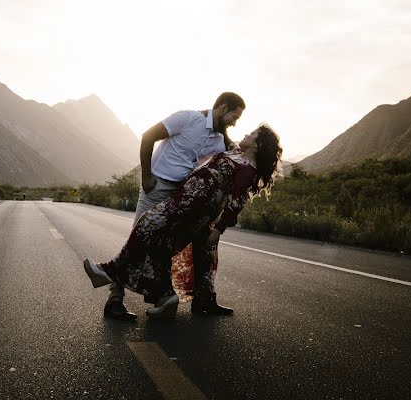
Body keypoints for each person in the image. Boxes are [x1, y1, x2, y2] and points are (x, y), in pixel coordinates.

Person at [85, 124, 282, 319]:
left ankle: (110, 270)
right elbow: (223, 133)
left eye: (253, 133)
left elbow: (237, 201)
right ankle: (168, 297)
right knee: (162, 245)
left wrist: (218, 229)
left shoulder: (248, 169)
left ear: (258, 145)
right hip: (185, 202)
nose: (247, 132)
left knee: (148, 223)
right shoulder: (236, 154)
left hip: (193, 209)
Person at [102, 92, 246, 321]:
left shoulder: (220, 140)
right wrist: (146, 178)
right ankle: (114, 301)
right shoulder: (188, 118)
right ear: (222, 108)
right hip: (156, 187)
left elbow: (231, 158)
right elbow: (148, 136)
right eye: (234, 116)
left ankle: (163, 298)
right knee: (138, 239)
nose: (235, 122)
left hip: (180, 195)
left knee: (165, 245)